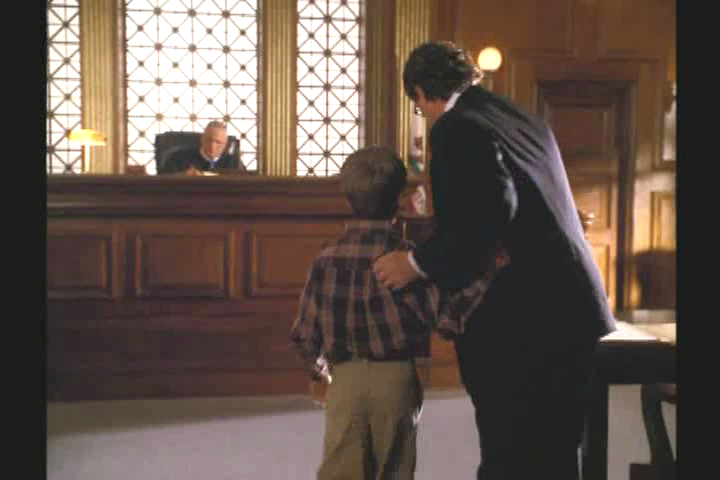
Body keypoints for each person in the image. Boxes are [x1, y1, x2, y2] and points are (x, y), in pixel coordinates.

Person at [372, 41, 616, 480]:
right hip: (576, 305)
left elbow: (489, 211)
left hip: (523, 319)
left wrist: (417, 263)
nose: (423, 114)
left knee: (509, 451)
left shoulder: (456, 127)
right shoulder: (520, 116)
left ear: (422, 92)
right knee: (556, 452)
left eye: (418, 106)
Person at [290, 145, 497, 480]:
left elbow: (304, 336)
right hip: (396, 379)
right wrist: (485, 272)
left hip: (345, 378)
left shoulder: (325, 260)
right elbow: (446, 320)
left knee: (340, 470)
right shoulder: (408, 262)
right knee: (395, 468)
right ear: (398, 201)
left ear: (348, 198)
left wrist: (321, 373)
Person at [162, 120, 246, 175]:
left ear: (225, 144)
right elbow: (163, 182)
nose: (212, 146)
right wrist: (183, 176)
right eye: (209, 140)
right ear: (202, 139)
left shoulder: (234, 163)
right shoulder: (178, 158)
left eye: (218, 142)